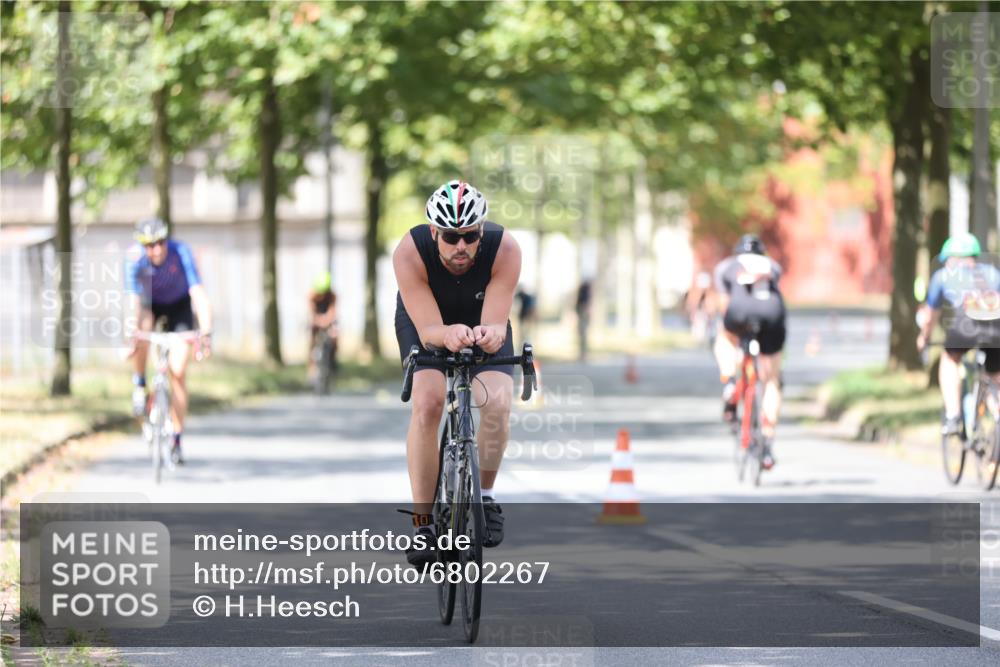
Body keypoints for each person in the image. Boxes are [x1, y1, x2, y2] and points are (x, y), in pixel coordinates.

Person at [392, 179, 521, 568]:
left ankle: (483, 496)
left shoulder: (506, 249)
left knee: (497, 401)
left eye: (469, 236)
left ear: (482, 231)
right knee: (428, 404)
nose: (461, 246)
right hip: (425, 321)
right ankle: (423, 523)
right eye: (450, 237)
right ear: (435, 233)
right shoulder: (409, 252)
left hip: (481, 320)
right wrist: (445, 335)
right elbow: (430, 330)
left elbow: (497, 324)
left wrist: (490, 333)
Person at [127, 217, 212, 464]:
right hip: (149, 304)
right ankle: (140, 384)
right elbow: (131, 300)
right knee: (139, 329)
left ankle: (176, 438)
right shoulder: (133, 260)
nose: (155, 250)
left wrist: (206, 330)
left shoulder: (181, 252)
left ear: (167, 241)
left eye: (160, 242)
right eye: (148, 245)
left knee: (178, 371)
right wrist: (129, 330)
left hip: (179, 308)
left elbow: (198, 293)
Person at [713, 234, 786, 469]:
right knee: (771, 380)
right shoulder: (773, 265)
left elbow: (725, 305)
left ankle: (730, 382)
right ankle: (767, 440)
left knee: (723, 337)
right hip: (772, 314)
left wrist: (734, 336)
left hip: (741, 311)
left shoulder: (726, 267)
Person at [917, 233, 1000, 437]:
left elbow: (930, 317)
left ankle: (953, 416)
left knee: (949, 360)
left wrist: (924, 338)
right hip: (996, 324)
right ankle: (996, 413)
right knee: (993, 376)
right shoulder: (993, 273)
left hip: (966, 322)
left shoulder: (943, 275)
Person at [307, 271, 338, 378]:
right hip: (316, 318)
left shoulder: (332, 296)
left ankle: (333, 361)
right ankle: (311, 365)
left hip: (328, 319)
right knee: (311, 335)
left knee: (335, 335)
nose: (322, 296)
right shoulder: (312, 296)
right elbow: (311, 312)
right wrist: (318, 321)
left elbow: (333, 311)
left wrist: (327, 320)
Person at [575, 279, 592, 362]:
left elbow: (582, 305)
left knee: (583, 335)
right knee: (582, 335)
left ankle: (583, 355)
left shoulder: (584, 292)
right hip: (582, 314)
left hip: (583, 315)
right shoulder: (584, 293)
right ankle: (583, 354)